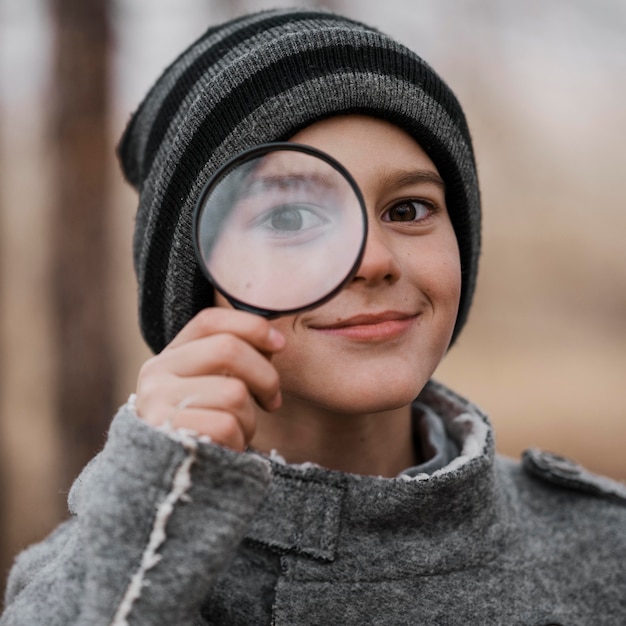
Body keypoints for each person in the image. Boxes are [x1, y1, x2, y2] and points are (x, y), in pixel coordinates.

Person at [2, 7, 625, 626]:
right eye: (291, 219)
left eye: (408, 210)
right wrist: (152, 518)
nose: (374, 260)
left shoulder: (604, 548)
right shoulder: (93, 582)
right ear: (198, 283)